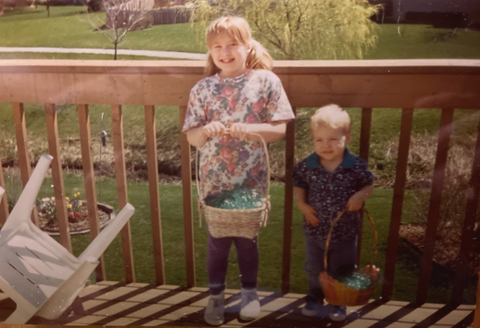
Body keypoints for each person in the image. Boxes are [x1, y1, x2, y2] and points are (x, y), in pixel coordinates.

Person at [182, 16, 294, 326]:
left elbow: (279, 128)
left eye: (233, 45)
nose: (225, 52)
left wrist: (250, 129)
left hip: (251, 178)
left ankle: (250, 294)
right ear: (210, 51)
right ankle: (216, 297)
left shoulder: (265, 81)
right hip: (214, 180)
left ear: (247, 46)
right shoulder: (203, 88)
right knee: (217, 242)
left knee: (247, 241)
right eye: (217, 46)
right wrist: (206, 130)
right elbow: (193, 138)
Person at [292, 104, 374, 321]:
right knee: (314, 268)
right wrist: (301, 203)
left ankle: (339, 302)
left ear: (347, 137)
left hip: (345, 233)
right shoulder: (306, 165)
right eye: (319, 140)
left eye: (332, 139)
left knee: (343, 269)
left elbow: (368, 185)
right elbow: (298, 184)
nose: (325, 145)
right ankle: (315, 297)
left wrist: (360, 196)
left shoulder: (355, 165)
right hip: (315, 230)